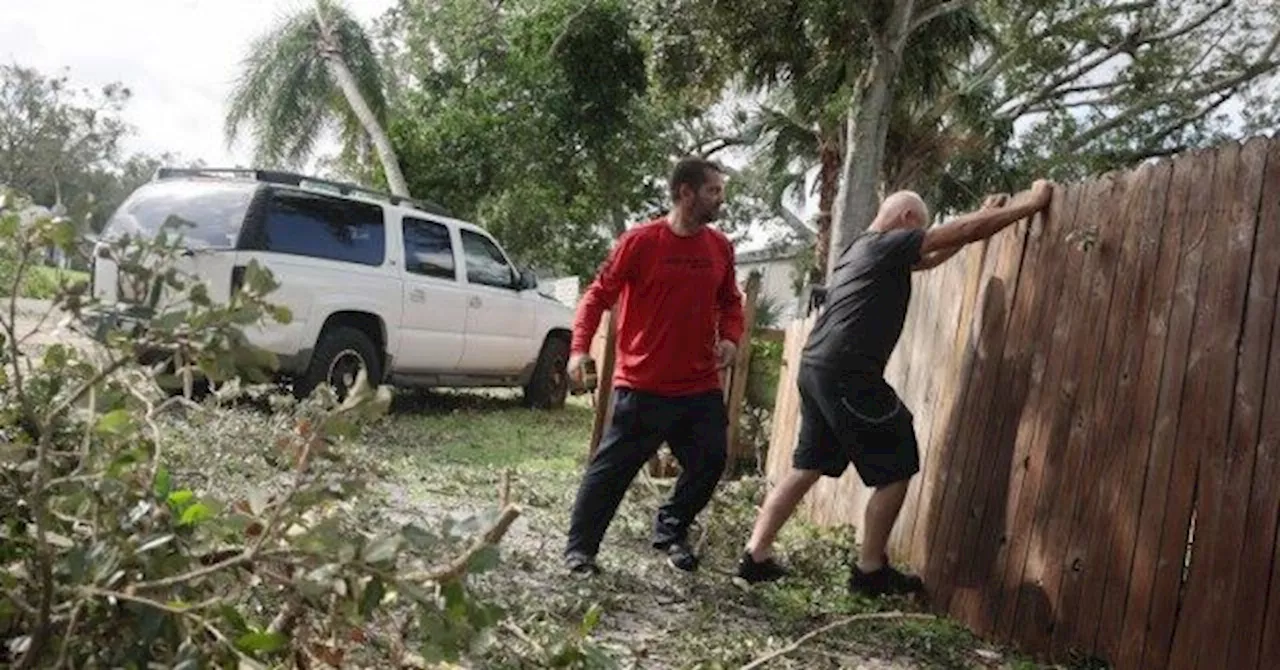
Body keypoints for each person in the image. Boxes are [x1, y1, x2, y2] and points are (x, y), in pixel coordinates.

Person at [734, 180, 1054, 597]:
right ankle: (869, 571)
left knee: (807, 466)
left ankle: (754, 557)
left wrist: (980, 213)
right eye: (920, 228)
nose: (920, 237)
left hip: (816, 368)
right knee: (898, 464)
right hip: (849, 371)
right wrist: (1030, 203)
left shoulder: (859, 251)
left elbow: (932, 257)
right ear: (906, 221)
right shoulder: (888, 245)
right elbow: (961, 233)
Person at [562, 157, 745, 576]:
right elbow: (597, 296)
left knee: (711, 460)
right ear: (685, 193)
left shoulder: (720, 247)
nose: (721, 199)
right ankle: (580, 551)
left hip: (698, 385)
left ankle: (671, 531)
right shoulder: (640, 241)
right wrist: (578, 349)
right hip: (643, 384)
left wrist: (731, 338)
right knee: (611, 472)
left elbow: (730, 301)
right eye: (713, 191)